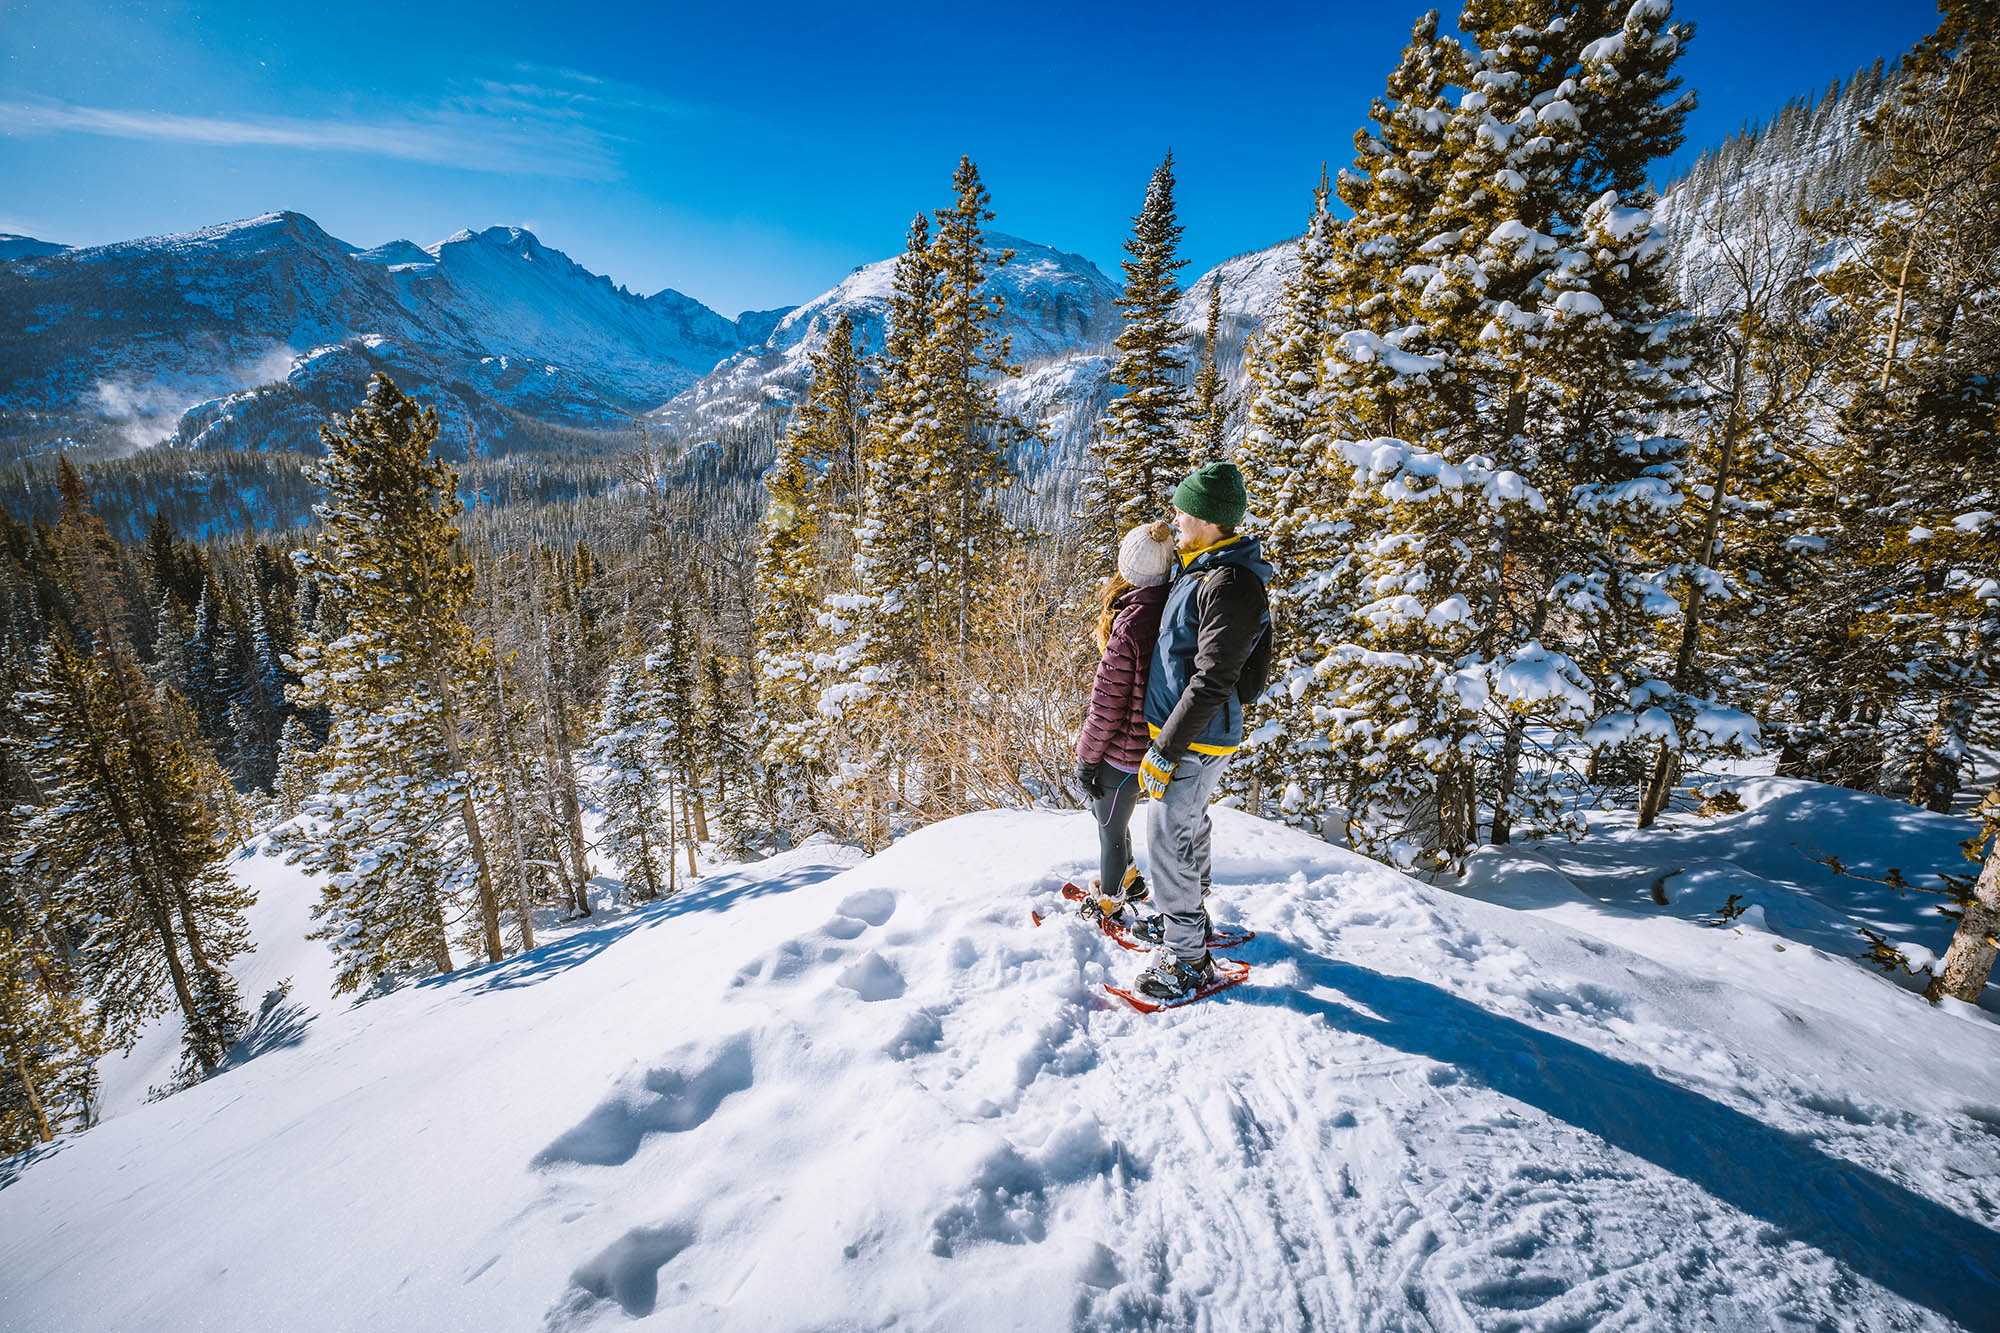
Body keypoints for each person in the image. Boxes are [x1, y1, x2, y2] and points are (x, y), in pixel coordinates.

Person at [1129, 461, 1273, 1001]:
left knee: (1167, 838)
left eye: (1184, 512)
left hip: (1193, 737)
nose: (1176, 519)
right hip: (1192, 730)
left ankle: (1187, 958)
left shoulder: (1229, 582)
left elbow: (1218, 676)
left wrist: (1167, 747)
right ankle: (1189, 924)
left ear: (1212, 521)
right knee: (1187, 827)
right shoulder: (1206, 568)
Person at [1075, 521, 1176, 913]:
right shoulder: (1172, 610)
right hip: (1156, 748)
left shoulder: (1129, 626)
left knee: (1110, 830)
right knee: (1118, 821)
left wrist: (1087, 759)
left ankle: (1109, 901)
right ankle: (1130, 882)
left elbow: (1106, 707)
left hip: (1121, 755)